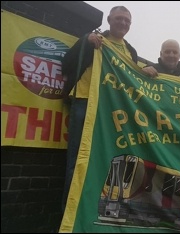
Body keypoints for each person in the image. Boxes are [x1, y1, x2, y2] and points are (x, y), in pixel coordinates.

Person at [61, 6, 145, 211]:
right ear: (109, 19)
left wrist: (145, 72)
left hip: (110, 112)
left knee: (104, 161)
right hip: (84, 102)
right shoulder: (93, 39)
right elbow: (67, 64)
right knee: (77, 159)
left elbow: (133, 82)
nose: (123, 23)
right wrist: (85, 42)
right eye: (119, 18)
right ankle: (68, 215)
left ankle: (89, 212)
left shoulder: (130, 51)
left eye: (127, 20)